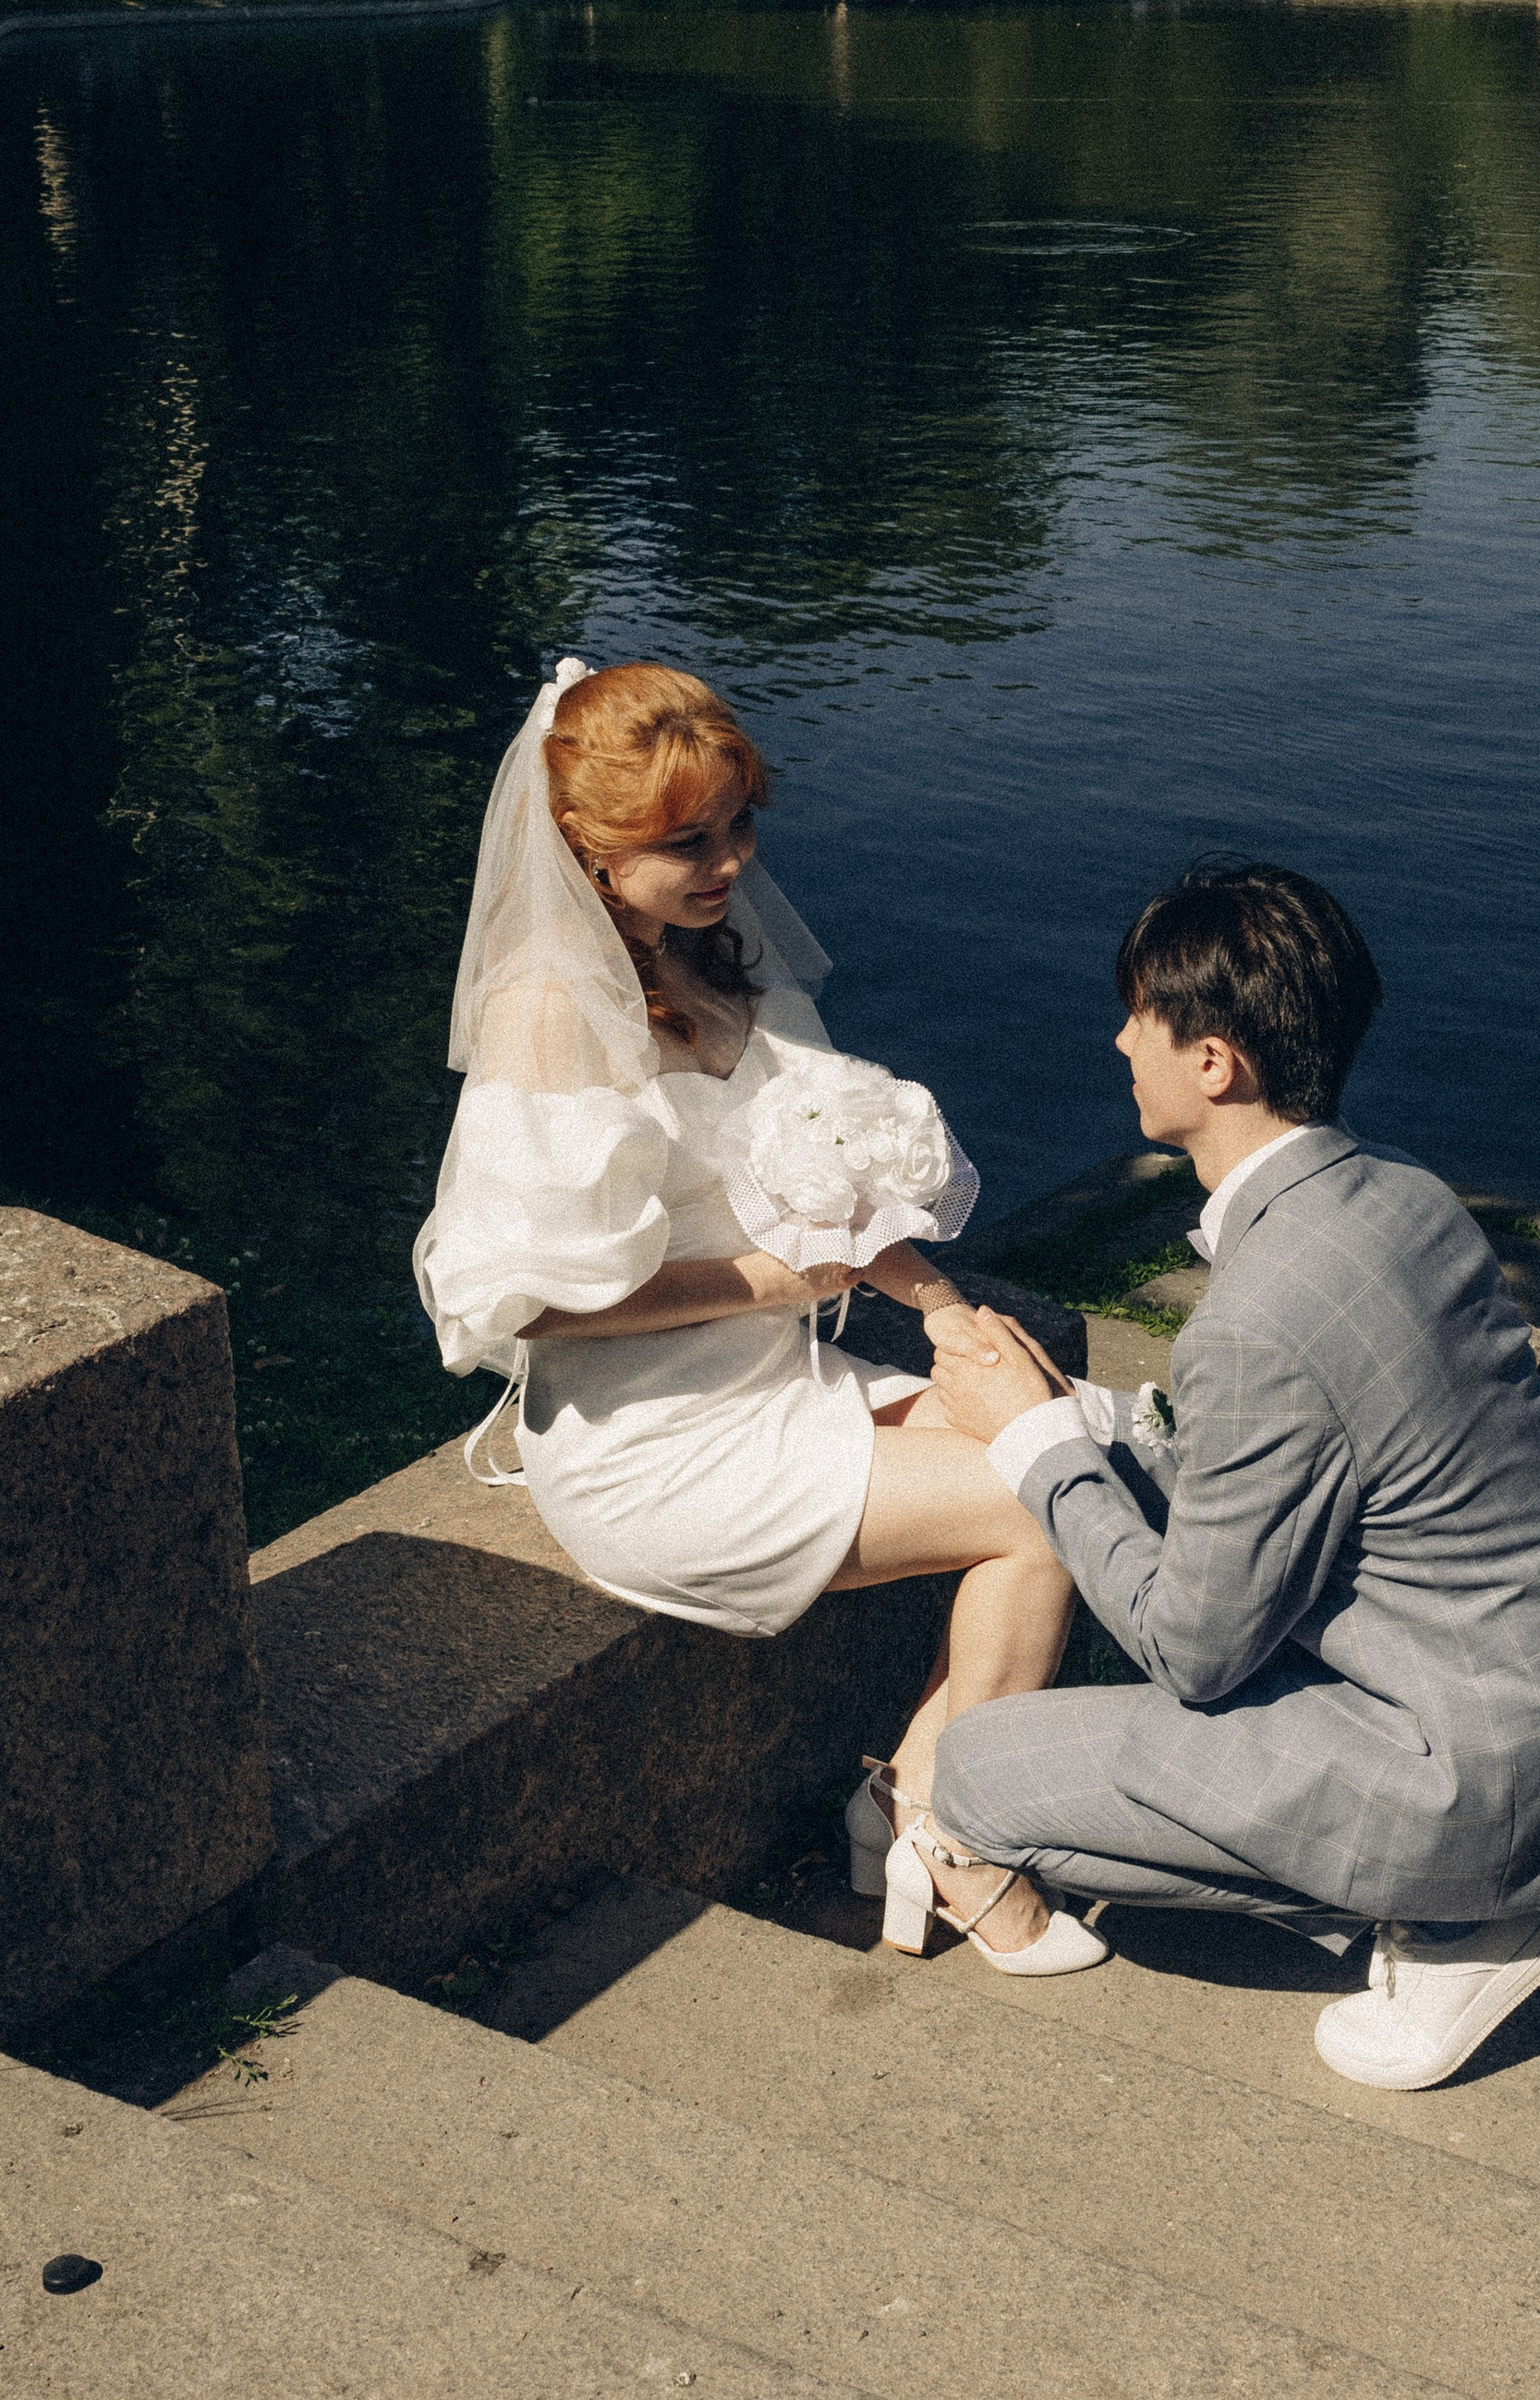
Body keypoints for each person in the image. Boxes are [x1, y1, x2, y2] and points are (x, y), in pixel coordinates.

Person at [414, 659, 1105, 1975]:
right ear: (585, 848)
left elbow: (830, 1176)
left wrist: (949, 1311)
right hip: (656, 1446)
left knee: (1057, 1439)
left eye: (739, 824)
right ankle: (951, 1837)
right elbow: (529, 1299)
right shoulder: (552, 1013)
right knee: (1042, 1504)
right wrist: (779, 1288)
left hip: (775, 1395)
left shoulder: (717, 960)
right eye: (687, 842)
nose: (729, 861)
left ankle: (909, 1804)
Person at [920, 863, 1540, 2091]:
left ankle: (1462, 1923)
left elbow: (1193, 1650)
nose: (1117, 1039)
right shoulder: (1410, 1199)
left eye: (1139, 1017)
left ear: (1213, 1063)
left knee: (981, 1774)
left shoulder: (1258, 1317)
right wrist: (1098, 1418)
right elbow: (1325, 1435)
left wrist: (1030, 1444)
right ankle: (1453, 1888)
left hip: (1460, 1777)